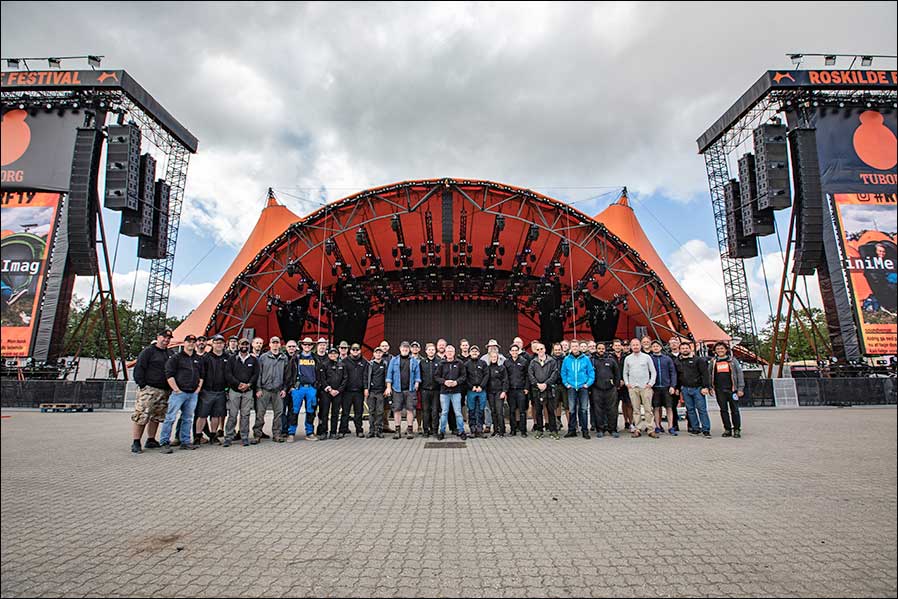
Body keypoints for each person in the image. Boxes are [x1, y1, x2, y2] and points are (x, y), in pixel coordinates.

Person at [130, 329, 174, 453]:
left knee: (157, 416)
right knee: (142, 415)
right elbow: (139, 368)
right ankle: (136, 441)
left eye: (168, 338)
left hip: (164, 390)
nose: (166, 340)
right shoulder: (148, 351)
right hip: (149, 389)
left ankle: (151, 439)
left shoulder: (169, 353)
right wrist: (142, 385)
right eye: (164, 337)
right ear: (158, 337)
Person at [160, 334, 205, 453]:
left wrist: (197, 389)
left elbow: (202, 376)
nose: (191, 343)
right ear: (184, 343)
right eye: (189, 341)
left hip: (192, 393)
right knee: (170, 417)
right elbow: (169, 374)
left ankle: (185, 441)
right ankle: (164, 441)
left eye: (193, 341)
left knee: (188, 418)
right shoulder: (176, 358)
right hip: (179, 393)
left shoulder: (198, 359)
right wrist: (176, 389)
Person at [224, 338, 259, 447]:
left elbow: (256, 374)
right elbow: (228, 374)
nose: (244, 346)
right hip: (234, 390)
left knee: (245, 415)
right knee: (232, 415)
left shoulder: (253, 359)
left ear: (249, 346)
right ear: (238, 345)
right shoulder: (232, 359)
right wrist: (238, 384)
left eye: (246, 344)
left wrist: (248, 384)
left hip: (248, 391)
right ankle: (228, 437)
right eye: (242, 344)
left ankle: (244, 436)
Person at [253, 337, 288, 444]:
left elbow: (287, 375)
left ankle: (277, 434)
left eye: (277, 343)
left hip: (278, 390)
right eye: (273, 343)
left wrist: (284, 389)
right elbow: (258, 374)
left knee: (278, 413)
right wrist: (258, 388)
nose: (275, 345)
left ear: (280, 345)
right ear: (270, 344)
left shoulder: (284, 358)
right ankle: (257, 435)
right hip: (264, 389)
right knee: (260, 413)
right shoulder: (263, 357)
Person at [196, 334, 229, 445]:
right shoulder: (206, 358)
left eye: (221, 343)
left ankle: (213, 435)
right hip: (207, 390)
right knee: (202, 414)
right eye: (216, 342)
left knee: (216, 415)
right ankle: (198, 436)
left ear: (224, 344)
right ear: (213, 344)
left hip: (220, 390)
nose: (219, 345)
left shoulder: (227, 358)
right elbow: (200, 374)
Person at [708, 341, 745, 438]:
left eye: (722, 348)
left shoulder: (732, 360)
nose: (720, 350)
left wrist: (740, 388)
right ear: (715, 351)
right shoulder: (713, 361)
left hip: (732, 390)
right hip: (720, 390)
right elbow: (709, 374)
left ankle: (737, 429)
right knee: (723, 410)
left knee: (735, 410)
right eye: (718, 349)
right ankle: (727, 429)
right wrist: (710, 387)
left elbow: (739, 374)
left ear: (726, 350)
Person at [285, 337, 319, 442]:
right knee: (294, 411)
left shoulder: (315, 358)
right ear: (302, 345)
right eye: (305, 344)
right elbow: (289, 373)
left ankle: (309, 432)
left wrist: (317, 386)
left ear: (312, 346)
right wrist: (290, 386)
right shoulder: (296, 358)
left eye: (309, 345)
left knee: (311, 411)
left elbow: (320, 373)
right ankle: (291, 433)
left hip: (311, 388)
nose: (307, 346)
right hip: (298, 388)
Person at [676, 340, 711, 438]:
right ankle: (695, 428)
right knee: (690, 410)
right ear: (680, 350)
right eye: (682, 348)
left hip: (698, 388)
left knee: (702, 409)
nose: (684, 350)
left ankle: (706, 429)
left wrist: (705, 387)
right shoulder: (678, 361)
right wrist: (678, 388)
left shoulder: (698, 360)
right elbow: (678, 376)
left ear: (690, 349)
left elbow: (705, 374)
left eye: (686, 348)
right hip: (685, 389)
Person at [387, 341, 421, 439]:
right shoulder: (394, 360)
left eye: (406, 349)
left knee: (410, 410)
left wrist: (417, 382)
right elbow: (389, 375)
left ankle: (409, 430)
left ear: (409, 350)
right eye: (403, 349)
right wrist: (389, 387)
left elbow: (417, 374)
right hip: (397, 389)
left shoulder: (414, 361)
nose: (405, 350)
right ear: (400, 349)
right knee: (397, 410)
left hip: (410, 389)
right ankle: (397, 430)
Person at [624, 338, 657, 438]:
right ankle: (637, 429)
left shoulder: (647, 357)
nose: (635, 346)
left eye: (637, 345)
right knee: (636, 410)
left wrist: (651, 383)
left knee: (648, 409)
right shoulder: (628, 358)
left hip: (645, 387)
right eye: (633, 345)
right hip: (633, 387)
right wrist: (627, 383)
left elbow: (653, 372)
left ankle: (650, 429)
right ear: (630, 346)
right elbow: (625, 372)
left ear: (640, 345)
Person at [561, 340, 594, 438]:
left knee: (583, 409)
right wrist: (566, 384)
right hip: (571, 387)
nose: (575, 348)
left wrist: (587, 384)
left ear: (579, 347)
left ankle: (585, 430)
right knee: (571, 409)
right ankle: (572, 430)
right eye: (573, 346)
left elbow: (591, 372)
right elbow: (563, 372)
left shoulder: (586, 359)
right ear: (571, 348)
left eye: (576, 346)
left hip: (583, 387)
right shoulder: (567, 359)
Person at [528, 341, 559, 439]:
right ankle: (539, 430)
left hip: (549, 389)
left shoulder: (552, 361)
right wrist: (537, 384)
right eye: (538, 349)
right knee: (538, 411)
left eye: (541, 349)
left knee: (551, 410)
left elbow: (554, 373)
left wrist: (546, 384)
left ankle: (553, 430)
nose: (540, 351)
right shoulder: (533, 362)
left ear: (545, 349)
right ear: (536, 351)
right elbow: (530, 374)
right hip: (537, 390)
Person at [435, 345, 466, 440]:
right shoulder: (441, 364)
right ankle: (442, 431)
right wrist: (444, 382)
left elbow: (463, 376)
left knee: (458, 413)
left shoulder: (459, 363)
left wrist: (456, 382)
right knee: (444, 412)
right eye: (448, 351)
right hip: (444, 392)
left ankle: (461, 431)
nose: (449, 353)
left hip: (456, 392)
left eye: (451, 351)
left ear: (454, 352)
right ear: (445, 353)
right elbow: (436, 377)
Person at [590, 342, 621, 438]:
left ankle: (613, 429)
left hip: (610, 389)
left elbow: (617, 373)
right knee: (598, 410)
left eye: (602, 348)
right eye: (599, 348)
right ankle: (600, 429)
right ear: (596, 349)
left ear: (605, 349)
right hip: (597, 389)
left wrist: (616, 385)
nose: (601, 350)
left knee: (612, 410)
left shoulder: (611, 360)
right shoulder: (592, 360)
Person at [649, 340, 678, 436]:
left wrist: (673, 386)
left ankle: (670, 427)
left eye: (657, 346)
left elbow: (673, 373)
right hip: (655, 387)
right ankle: (657, 426)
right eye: (654, 346)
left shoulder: (667, 359)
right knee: (656, 407)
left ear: (661, 347)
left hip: (666, 387)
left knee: (669, 408)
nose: (656, 348)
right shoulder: (649, 359)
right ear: (651, 348)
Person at [341, 343, 368, 437]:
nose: (355, 351)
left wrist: (365, 388)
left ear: (360, 350)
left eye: (357, 349)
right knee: (345, 412)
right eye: (353, 349)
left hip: (359, 391)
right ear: (350, 350)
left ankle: (359, 430)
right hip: (347, 391)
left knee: (359, 412)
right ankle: (342, 430)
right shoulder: (344, 361)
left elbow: (366, 376)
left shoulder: (364, 362)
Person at [320, 347, 347, 439]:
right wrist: (329, 389)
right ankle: (324, 432)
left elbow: (345, 379)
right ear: (328, 355)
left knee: (335, 413)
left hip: (338, 393)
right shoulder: (324, 364)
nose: (333, 355)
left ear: (338, 354)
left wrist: (338, 390)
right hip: (326, 392)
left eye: (335, 353)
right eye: (331, 353)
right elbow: (322, 379)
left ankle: (333, 432)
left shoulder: (342, 365)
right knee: (325, 413)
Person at [504, 343, 530, 436]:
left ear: (519, 351)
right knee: (512, 411)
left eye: (516, 350)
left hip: (521, 389)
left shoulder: (524, 361)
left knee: (522, 411)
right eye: (512, 351)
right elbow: (505, 377)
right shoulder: (506, 362)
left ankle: (523, 431)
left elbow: (527, 375)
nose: (514, 352)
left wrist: (526, 387)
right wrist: (505, 390)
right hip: (511, 390)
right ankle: (513, 430)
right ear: (510, 352)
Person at [464, 345, 488, 437]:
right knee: (471, 410)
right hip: (471, 391)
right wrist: (471, 387)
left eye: (476, 351)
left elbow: (486, 375)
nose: (474, 353)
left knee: (481, 410)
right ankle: (473, 430)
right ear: (470, 353)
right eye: (472, 351)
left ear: (478, 353)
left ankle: (480, 429)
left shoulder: (483, 363)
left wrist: (481, 386)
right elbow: (465, 377)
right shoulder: (466, 364)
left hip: (482, 390)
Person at [418, 342, 442, 437]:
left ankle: (435, 430)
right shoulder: (422, 362)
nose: (431, 351)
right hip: (425, 390)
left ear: (435, 350)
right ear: (426, 351)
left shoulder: (439, 361)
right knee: (425, 411)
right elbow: (419, 376)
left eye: (432, 349)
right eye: (429, 350)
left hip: (436, 390)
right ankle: (426, 430)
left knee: (435, 411)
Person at [365, 346, 389, 438]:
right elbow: (365, 377)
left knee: (380, 412)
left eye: (380, 352)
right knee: (371, 412)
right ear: (374, 354)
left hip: (381, 392)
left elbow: (387, 377)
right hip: (371, 392)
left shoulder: (385, 364)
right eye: (376, 352)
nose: (378, 354)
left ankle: (379, 430)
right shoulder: (370, 364)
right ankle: (371, 430)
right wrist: (366, 389)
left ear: (382, 354)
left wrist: (387, 388)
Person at [485, 349, 509, 436]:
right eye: (492, 357)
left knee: (499, 411)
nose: (494, 358)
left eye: (495, 357)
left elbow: (505, 380)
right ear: (490, 358)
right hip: (490, 392)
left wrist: (504, 391)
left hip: (499, 392)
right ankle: (495, 429)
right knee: (493, 411)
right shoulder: (487, 368)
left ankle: (502, 430)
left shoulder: (502, 368)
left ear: (498, 358)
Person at [612, 339, 632, 430]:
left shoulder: (627, 357)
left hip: (626, 384)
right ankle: (614, 425)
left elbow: (629, 370)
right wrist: (616, 381)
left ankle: (631, 423)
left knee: (628, 404)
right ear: (613, 347)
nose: (617, 347)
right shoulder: (610, 357)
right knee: (614, 406)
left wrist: (624, 380)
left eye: (619, 345)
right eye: (615, 345)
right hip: (614, 386)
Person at [551, 342, 566, 429]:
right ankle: (558, 422)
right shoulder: (550, 360)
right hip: (554, 385)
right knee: (556, 405)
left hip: (564, 384)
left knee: (567, 406)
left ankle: (572, 426)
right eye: (556, 350)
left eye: (559, 350)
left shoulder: (566, 359)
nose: (557, 351)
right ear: (553, 350)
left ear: (562, 350)